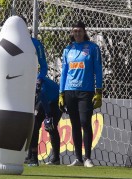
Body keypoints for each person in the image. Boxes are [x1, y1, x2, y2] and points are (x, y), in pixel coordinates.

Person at [58, 20, 103, 167]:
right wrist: (61, 93)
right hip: (70, 91)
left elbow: (98, 70)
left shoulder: (93, 48)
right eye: (75, 31)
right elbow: (64, 72)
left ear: (84, 32)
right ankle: (78, 158)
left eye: (80, 30)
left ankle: (88, 158)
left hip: (86, 91)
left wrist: (99, 90)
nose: (77, 33)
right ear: (72, 32)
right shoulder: (68, 50)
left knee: (85, 122)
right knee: (75, 124)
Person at [21, 15, 62, 166]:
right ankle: (31, 156)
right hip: (36, 94)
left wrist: (49, 115)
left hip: (53, 97)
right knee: (32, 124)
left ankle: (50, 158)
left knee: (47, 125)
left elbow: (43, 67)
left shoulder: (35, 44)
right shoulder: (10, 44)